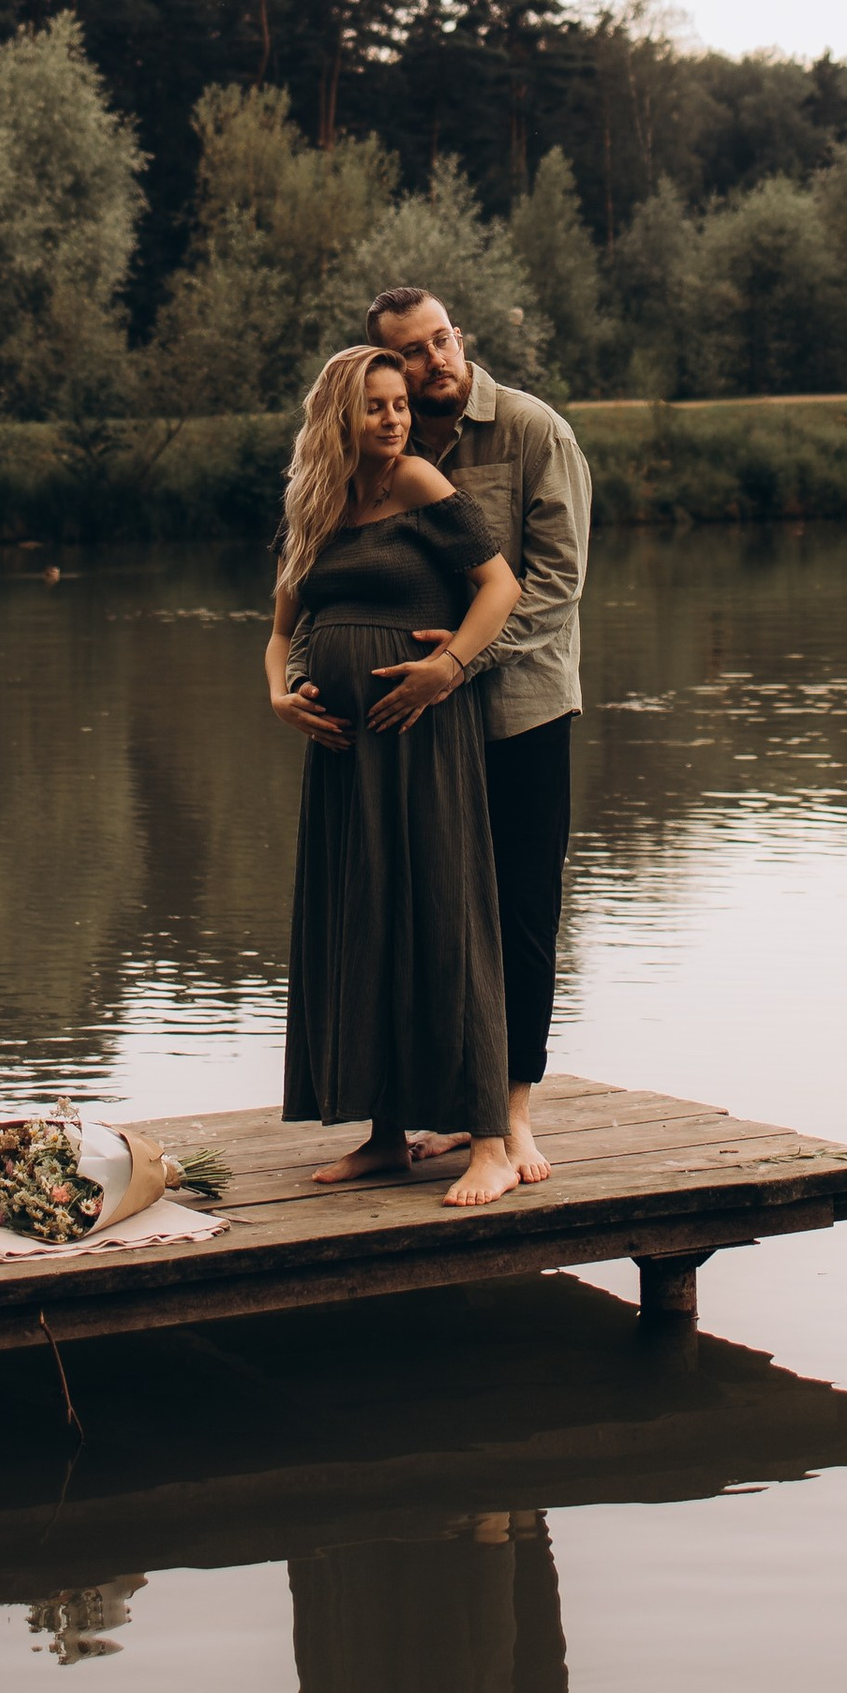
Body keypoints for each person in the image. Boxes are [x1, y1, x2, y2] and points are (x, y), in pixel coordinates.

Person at [267, 345, 526, 1210]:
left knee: (445, 913)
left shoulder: (420, 482)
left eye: (399, 404)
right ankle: (385, 1135)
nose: (394, 418)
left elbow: (500, 587)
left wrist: (448, 665)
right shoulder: (319, 504)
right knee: (364, 913)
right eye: (375, 406)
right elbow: (280, 632)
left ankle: (487, 1141)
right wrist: (280, 695)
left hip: (418, 736)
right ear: (340, 416)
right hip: (343, 755)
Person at [363, 287, 593, 1190]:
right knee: (440, 914)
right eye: (413, 354)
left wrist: (459, 660)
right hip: (425, 724)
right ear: (389, 366)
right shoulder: (390, 443)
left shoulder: (537, 434)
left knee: (522, 913)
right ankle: (456, 1107)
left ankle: (516, 1114)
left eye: (443, 341)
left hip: (520, 710)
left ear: (464, 340)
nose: (435, 363)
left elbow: (556, 586)